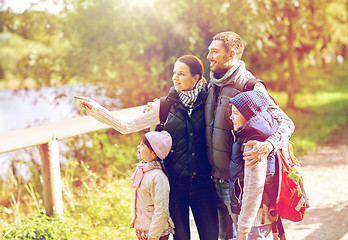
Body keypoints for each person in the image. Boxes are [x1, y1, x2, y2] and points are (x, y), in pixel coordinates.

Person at [75, 55, 219, 240]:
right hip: (175, 187)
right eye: (174, 73)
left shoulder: (209, 102)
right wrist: (96, 109)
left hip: (204, 185)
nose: (175, 78)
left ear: (197, 77)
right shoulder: (164, 105)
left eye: (181, 74)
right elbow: (127, 126)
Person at [205, 31, 295, 239]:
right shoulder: (212, 85)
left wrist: (268, 145)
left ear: (231, 54)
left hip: (238, 187)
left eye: (214, 52)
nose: (208, 56)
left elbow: (286, 123)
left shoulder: (251, 87)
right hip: (213, 181)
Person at [229, 91, 279, 240]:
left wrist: (244, 228)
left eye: (236, 113)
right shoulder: (251, 135)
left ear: (249, 116)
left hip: (254, 221)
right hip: (253, 218)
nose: (231, 117)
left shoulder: (253, 143)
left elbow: (253, 188)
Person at [130, 130, 174, 240]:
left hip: (155, 234)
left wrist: (153, 236)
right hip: (143, 231)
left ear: (153, 153)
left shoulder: (158, 177)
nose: (138, 146)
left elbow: (161, 210)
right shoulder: (142, 170)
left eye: (142, 145)